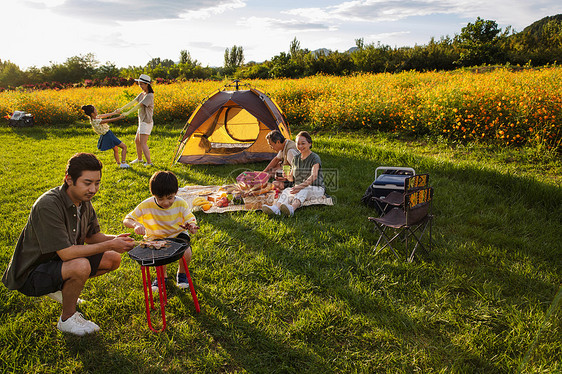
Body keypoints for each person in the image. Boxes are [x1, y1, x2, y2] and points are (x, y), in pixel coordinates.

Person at [1, 153, 136, 336]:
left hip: (57, 263)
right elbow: (67, 253)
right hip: (30, 274)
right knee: (80, 265)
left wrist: (123, 241)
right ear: (69, 180)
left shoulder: (84, 201)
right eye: (87, 183)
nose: (93, 189)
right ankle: (67, 319)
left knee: (112, 259)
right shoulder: (48, 205)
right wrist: (110, 244)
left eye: (97, 183)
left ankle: (60, 288)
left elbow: (92, 236)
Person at [123, 171, 198, 292]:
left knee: (186, 253)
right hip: (155, 236)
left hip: (177, 234)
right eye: (160, 199)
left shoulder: (181, 203)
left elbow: (190, 219)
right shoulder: (146, 205)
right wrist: (136, 224)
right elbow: (127, 219)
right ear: (153, 195)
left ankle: (182, 274)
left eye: (170, 198)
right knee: (160, 257)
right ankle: (162, 277)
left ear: (176, 192)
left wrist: (192, 226)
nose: (166, 203)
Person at [262, 131, 325, 217]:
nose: (300, 146)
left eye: (303, 143)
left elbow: (314, 176)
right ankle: (276, 208)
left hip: (316, 188)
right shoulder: (296, 158)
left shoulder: (314, 158)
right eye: (298, 144)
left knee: (304, 189)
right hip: (300, 187)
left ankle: (292, 208)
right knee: (287, 191)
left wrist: (300, 186)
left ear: (309, 143)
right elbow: (292, 179)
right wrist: (286, 176)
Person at [117, 74, 154, 166]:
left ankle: (149, 162)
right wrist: (121, 109)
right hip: (141, 121)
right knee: (137, 141)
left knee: (143, 142)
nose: (140, 86)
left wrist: (127, 113)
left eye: (141, 84)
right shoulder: (142, 94)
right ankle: (140, 159)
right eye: (139, 84)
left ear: (147, 84)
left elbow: (139, 106)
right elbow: (133, 102)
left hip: (146, 122)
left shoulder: (149, 96)